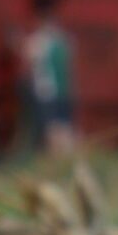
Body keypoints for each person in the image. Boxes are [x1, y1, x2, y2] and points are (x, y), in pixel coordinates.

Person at [28, 20, 76, 156]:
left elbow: (31, 58)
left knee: (52, 126)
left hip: (47, 91)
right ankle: (66, 154)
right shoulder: (63, 42)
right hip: (63, 90)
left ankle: (58, 155)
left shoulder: (38, 42)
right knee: (64, 124)